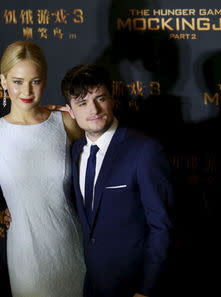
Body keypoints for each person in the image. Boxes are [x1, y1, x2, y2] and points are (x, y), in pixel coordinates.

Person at [0, 40, 86, 297]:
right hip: (25, 256)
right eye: (17, 81)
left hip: (70, 247)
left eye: (35, 81)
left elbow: (98, 173)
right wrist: (12, 206)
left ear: (45, 80)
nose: (26, 90)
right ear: (3, 81)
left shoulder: (65, 122)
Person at [61, 64, 174, 297]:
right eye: (82, 103)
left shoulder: (144, 150)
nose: (94, 109)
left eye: (100, 98)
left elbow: (161, 227)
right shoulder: (75, 151)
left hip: (134, 286)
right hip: (92, 284)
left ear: (111, 99)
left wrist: (145, 289)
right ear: (70, 112)